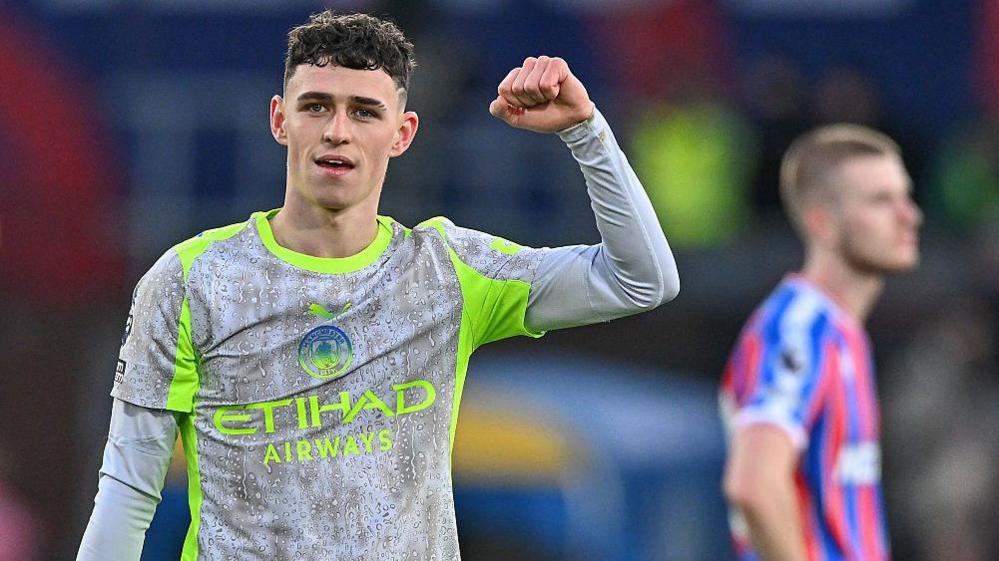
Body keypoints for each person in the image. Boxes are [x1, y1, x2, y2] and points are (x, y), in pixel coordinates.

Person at [77, 10, 679, 561]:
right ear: (279, 120)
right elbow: (129, 487)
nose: (337, 130)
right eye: (316, 106)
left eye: (364, 112)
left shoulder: (448, 271)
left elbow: (642, 280)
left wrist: (587, 132)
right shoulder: (191, 281)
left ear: (402, 133)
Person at [719, 124, 921, 561]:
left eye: (905, 196)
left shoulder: (841, 331)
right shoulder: (799, 329)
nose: (909, 215)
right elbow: (753, 484)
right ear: (822, 223)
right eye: (881, 200)